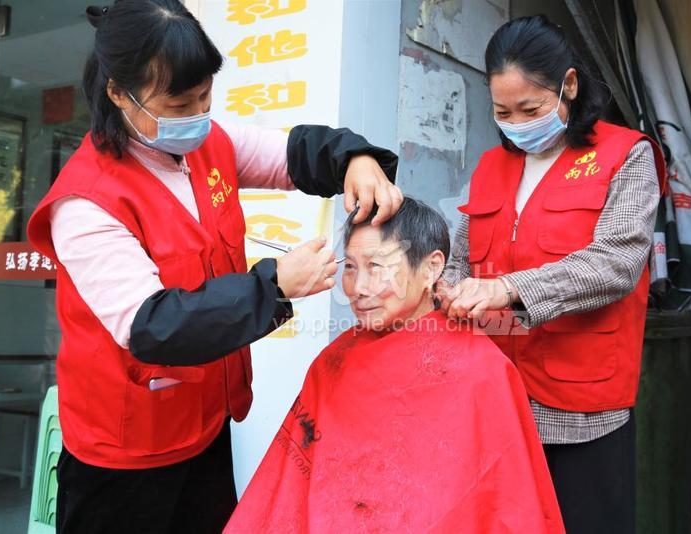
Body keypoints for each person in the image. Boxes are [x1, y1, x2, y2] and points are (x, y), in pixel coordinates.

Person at [25, 2, 403, 532]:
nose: (197, 116)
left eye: (205, 97)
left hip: (204, 426)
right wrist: (275, 286)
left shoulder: (205, 143)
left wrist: (355, 158)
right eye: (179, 103)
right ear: (118, 93)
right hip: (124, 455)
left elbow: (292, 155)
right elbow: (153, 326)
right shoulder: (86, 203)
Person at [438, 16, 666, 534]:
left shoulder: (624, 155)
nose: (517, 123)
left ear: (568, 84)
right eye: (502, 113)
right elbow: (461, 253)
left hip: (582, 405)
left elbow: (616, 262)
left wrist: (509, 287)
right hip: (497, 397)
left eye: (531, 109)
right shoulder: (491, 166)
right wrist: (444, 286)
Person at [225, 198, 565, 533]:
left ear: (431, 268)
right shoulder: (334, 362)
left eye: (376, 267)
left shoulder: (482, 371)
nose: (358, 288)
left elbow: (501, 502)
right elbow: (290, 493)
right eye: (351, 267)